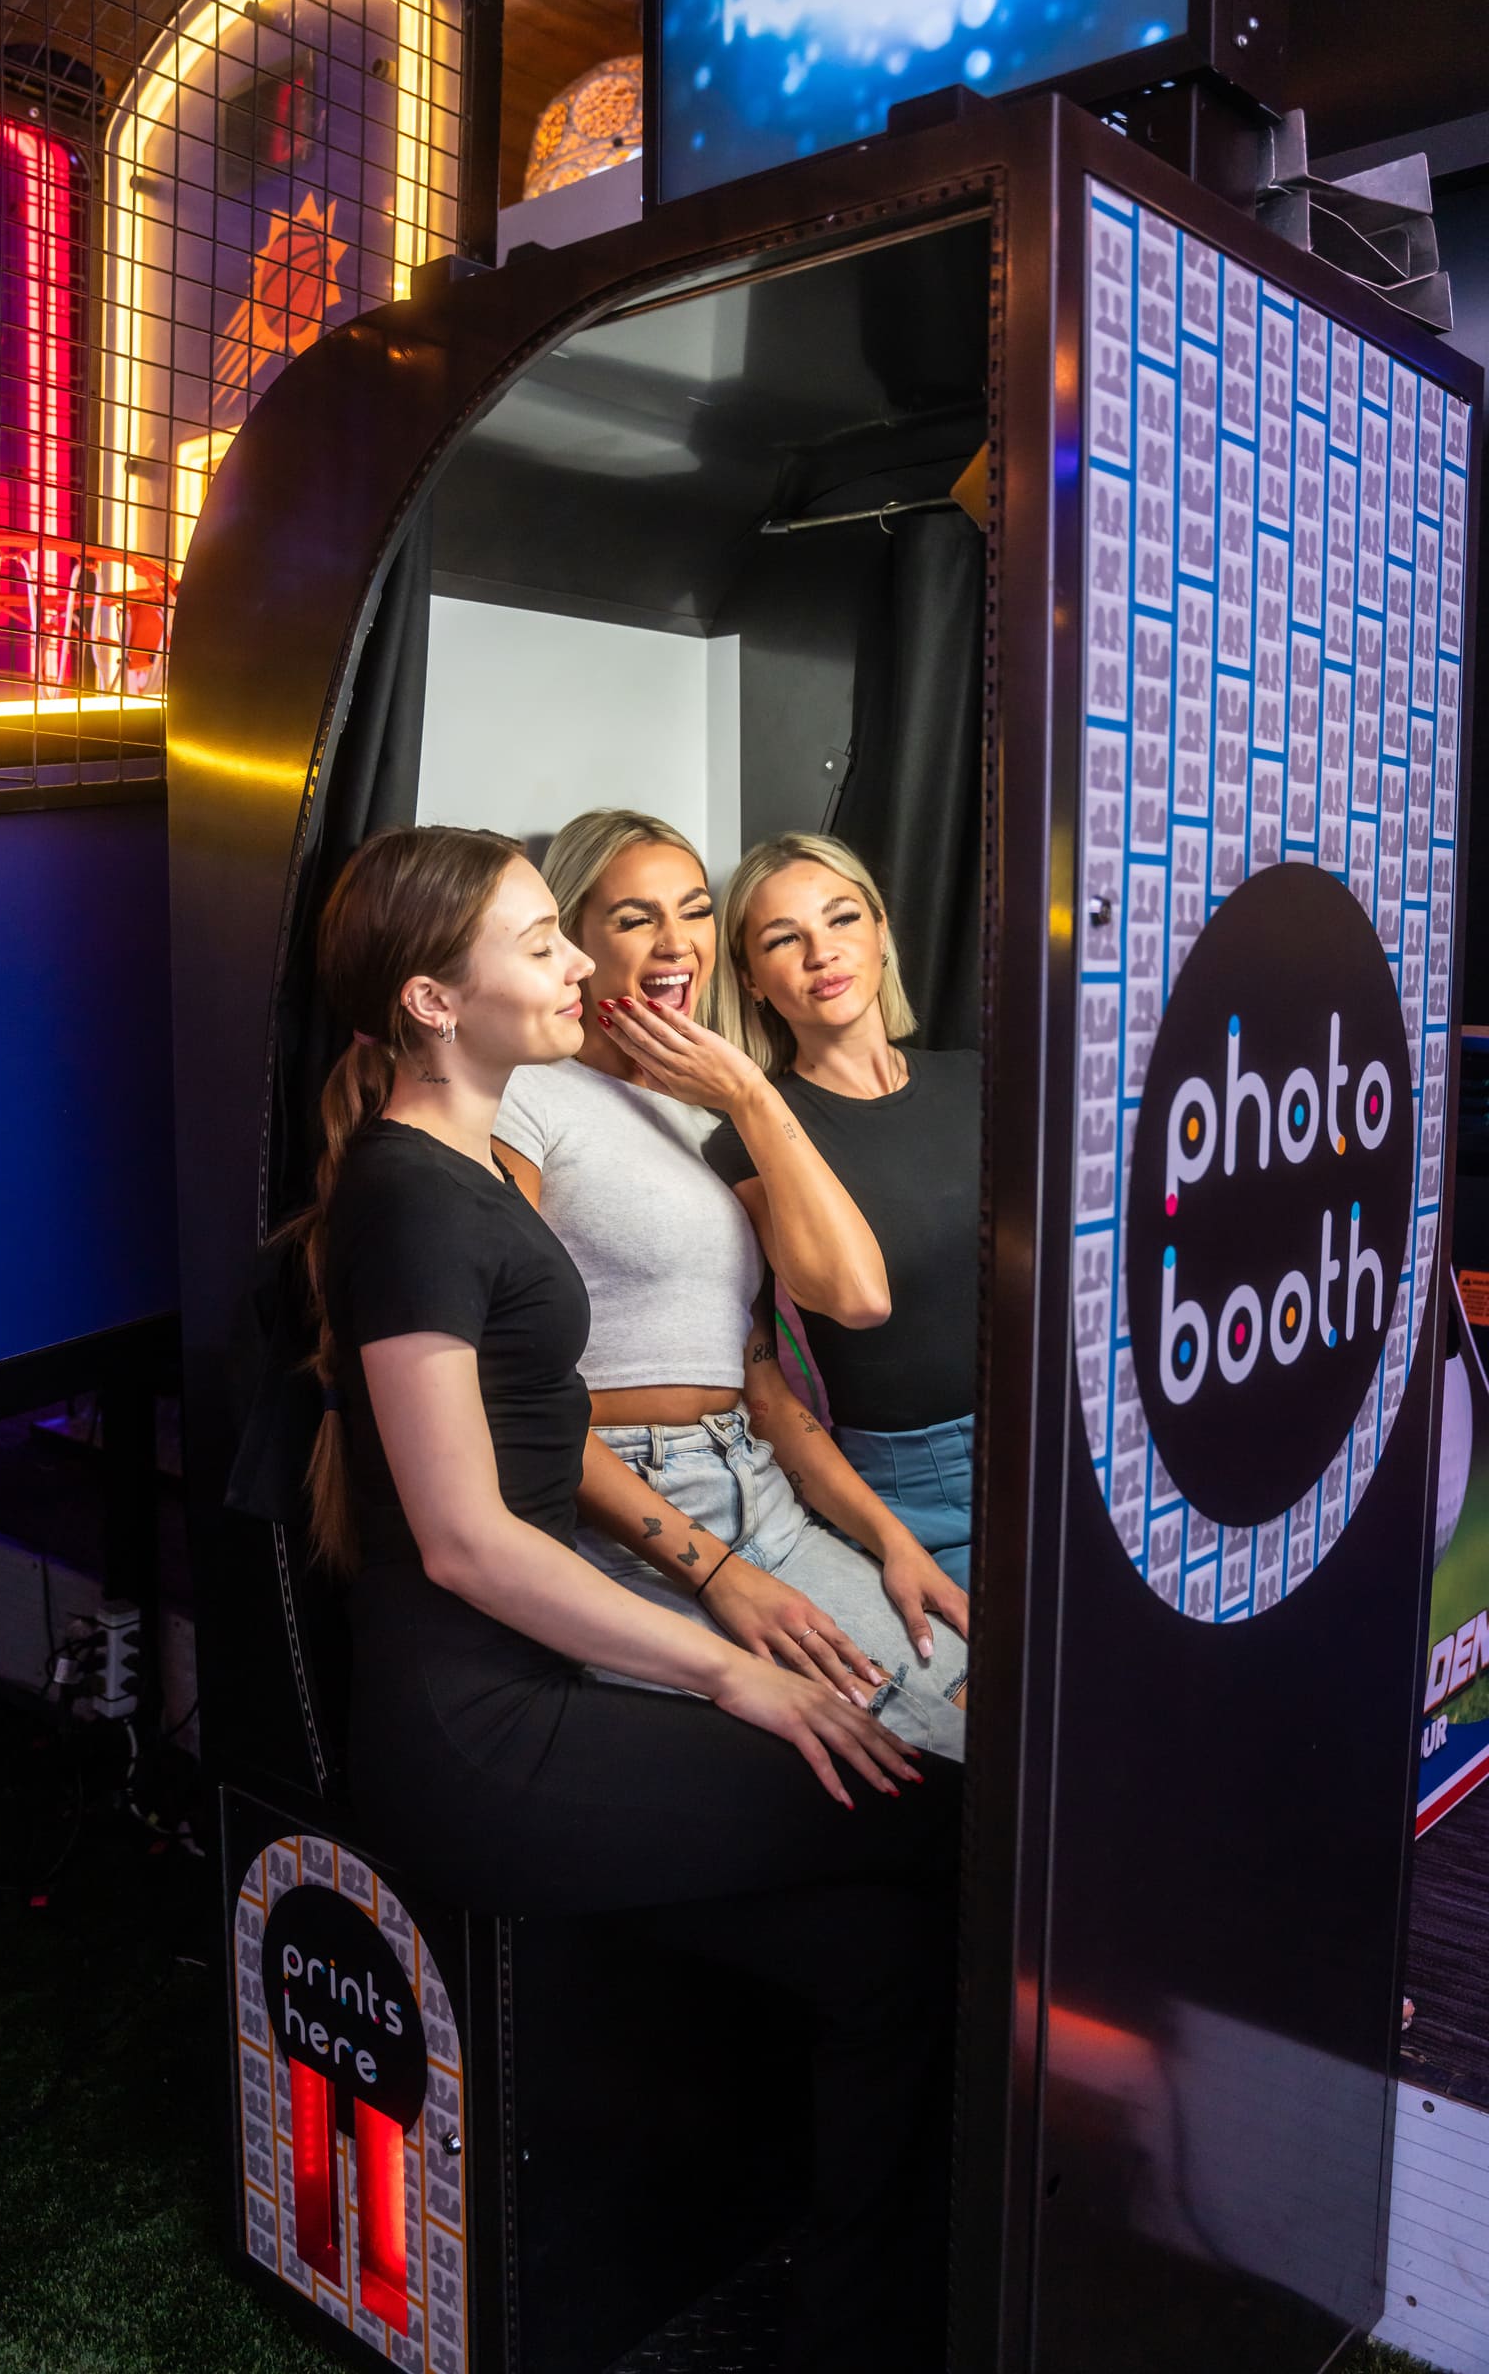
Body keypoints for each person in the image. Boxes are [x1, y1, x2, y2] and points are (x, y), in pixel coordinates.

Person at [296, 821, 959, 2371]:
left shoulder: (466, 1170)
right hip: (481, 1735)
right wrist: (735, 1661)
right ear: (433, 1002)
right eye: (547, 942)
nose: (585, 965)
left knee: (889, 1951)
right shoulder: (407, 1195)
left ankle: (868, 2318)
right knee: (934, 1816)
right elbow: (466, 1542)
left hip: (528, 1691)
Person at [491, 809, 967, 1756]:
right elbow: (511, 1395)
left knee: (972, 1719)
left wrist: (888, 1540)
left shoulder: (694, 1109)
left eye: (694, 911)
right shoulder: (525, 1094)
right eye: (633, 919)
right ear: (575, 942)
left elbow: (761, 1381)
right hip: (635, 1499)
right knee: (894, 1753)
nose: (675, 945)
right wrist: (711, 1572)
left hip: (758, 1480)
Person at [708, 831, 980, 1618]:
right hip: (912, 1490)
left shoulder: (982, 1079)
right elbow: (835, 1313)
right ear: (751, 979)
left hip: (1059, 1439)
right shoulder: (747, 1137)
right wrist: (890, 1535)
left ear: (882, 931)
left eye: (842, 919)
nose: (821, 952)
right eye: (783, 938)